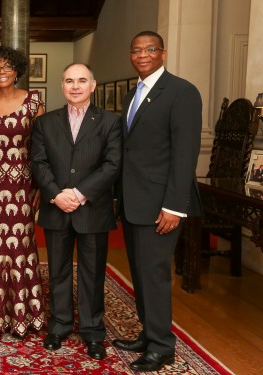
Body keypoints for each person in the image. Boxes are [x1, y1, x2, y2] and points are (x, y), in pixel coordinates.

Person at [113, 31, 202, 372]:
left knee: (155, 275)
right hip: (135, 201)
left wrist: (174, 206)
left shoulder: (181, 92)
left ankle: (162, 346)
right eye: (136, 50)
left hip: (161, 205)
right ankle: (149, 334)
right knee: (140, 272)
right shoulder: (132, 94)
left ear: (163, 53)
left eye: (150, 49)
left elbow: (185, 154)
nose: (143, 55)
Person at [31, 63, 122, 359]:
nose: (75, 86)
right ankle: (59, 325)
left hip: (92, 209)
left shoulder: (110, 121)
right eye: (69, 80)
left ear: (92, 86)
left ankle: (93, 331)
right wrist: (56, 194)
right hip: (56, 208)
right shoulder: (46, 123)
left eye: (82, 80)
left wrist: (80, 194)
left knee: (92, 273)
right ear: (62, 86)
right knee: (57, 271)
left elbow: (112, 165)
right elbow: (39, 163)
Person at [0, 46, 46, 338]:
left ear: (17, 71)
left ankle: (25, 315)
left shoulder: (34, 102)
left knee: (21, 246)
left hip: (23, 186)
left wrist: (40, 185)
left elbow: (42, 149)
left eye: (7, 67)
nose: (1, 73)